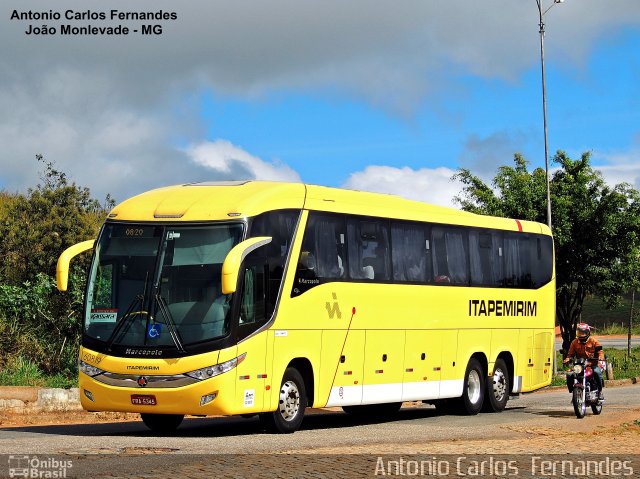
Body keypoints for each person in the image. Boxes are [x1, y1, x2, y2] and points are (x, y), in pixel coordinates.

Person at [563, 323, 605, 399]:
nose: (581, 334)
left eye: (583, 332)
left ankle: (600, 392)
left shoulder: (593, 341)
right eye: (579, 332)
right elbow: (570, 354)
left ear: (588, 332)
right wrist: (567, 359)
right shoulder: (574, 342)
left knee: (597, 372)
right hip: (580, 365)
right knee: (569, 374)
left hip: (592, 364)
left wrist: (601, 357)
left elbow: (600, 351)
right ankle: (574, 392)